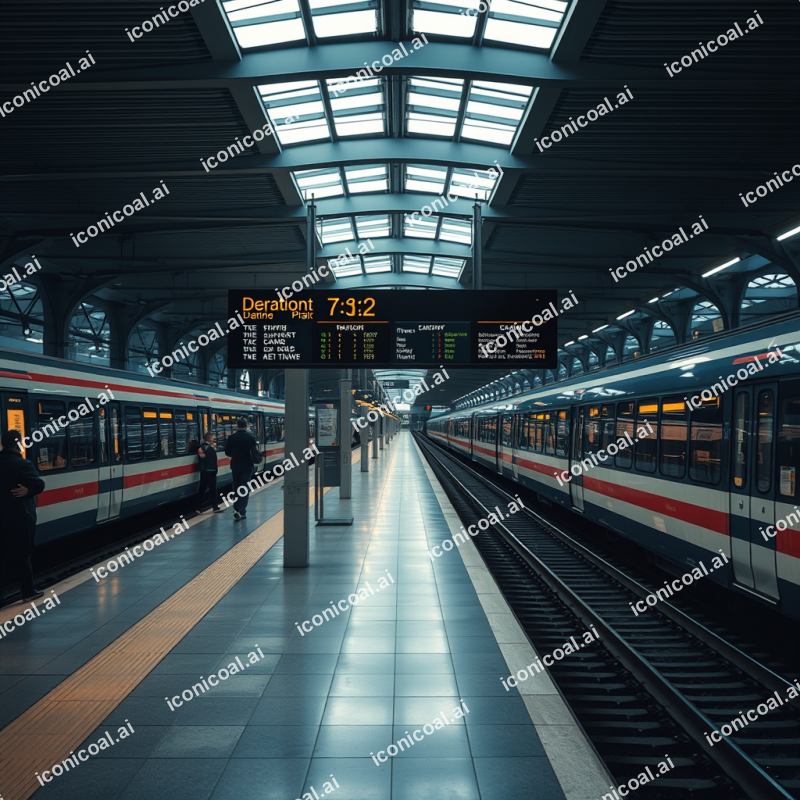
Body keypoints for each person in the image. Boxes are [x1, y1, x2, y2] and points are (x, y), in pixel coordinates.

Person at [0, 430, 45, 606]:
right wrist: (29, 491)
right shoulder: (21, 464)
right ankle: (28, 591)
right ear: (18, 444)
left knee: (1, 555)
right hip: (19, 515)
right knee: (23, 554)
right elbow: (39, 484)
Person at [224, 417, 258, 520]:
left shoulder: (232, 437)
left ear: (237, 425)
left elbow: (227, 452)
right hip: (247, 466)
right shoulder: (250, 437)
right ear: (246, 425)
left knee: (236, 487)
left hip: (236, 465)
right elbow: (254, 451)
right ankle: (242, 509)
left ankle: (236, 509)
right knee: (244, 488)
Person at [196, 432, 222, 514]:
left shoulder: (201, 448)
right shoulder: (210, 448)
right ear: (210, 438)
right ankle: (215, 507)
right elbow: (213, 461)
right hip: (211, 471)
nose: (214, 439)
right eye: (213, 437)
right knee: (213, 489)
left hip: (204, 471)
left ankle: (199, 508)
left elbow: (202, 458)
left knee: (202, 490)